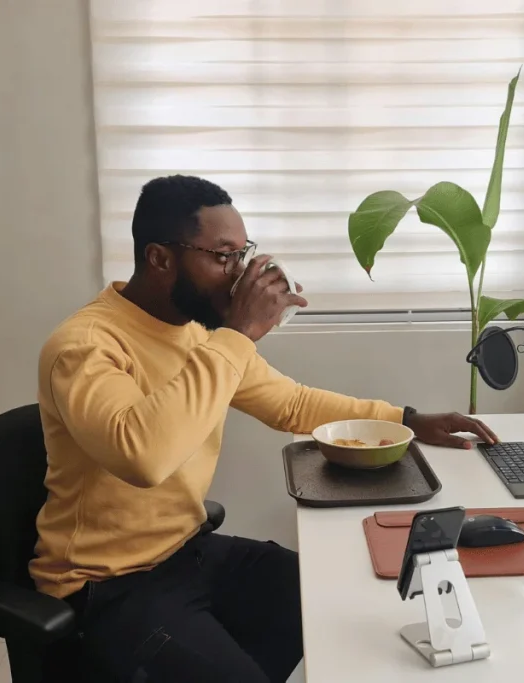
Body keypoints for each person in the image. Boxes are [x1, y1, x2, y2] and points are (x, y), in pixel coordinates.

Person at [30, 174, 499, 683]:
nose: (240, 273)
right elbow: (143, 456)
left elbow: (292, 403)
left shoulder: (196, 335)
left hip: (184, 553)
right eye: (223, 256)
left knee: (323, 599)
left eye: (243, 253)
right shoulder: (85, 346)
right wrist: (238, 334)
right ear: (160, 258)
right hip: (107, 586)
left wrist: (406, 420)